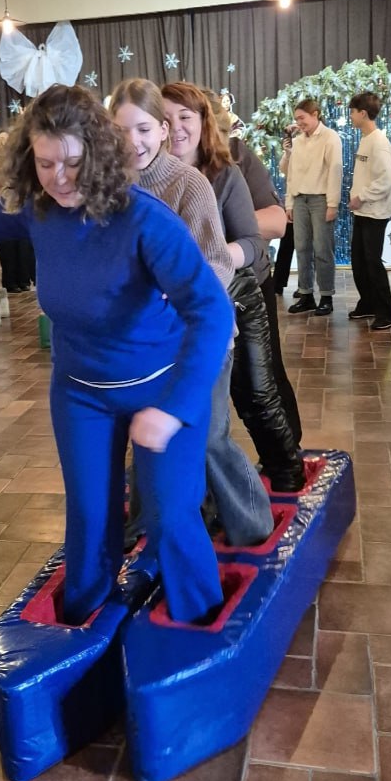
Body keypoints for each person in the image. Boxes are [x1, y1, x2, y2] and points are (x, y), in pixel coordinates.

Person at [0, 84, 233, 626]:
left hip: (160, 389)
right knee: (90, 516)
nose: (60, 178)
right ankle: (83, 623)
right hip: (81, 393)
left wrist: (173, 410)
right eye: (46, 163)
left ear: (99, 153)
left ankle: (200, 624)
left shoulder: (147, 221)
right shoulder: (40, 210)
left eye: (73, 163)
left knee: (170, 517)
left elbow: (212, 313)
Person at [110, 77, 273, 546]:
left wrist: (172, 299)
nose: (133, 142)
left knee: (206, 434)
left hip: (202, 336)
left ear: (161, 131)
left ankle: (252, 520)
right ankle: (149, 524)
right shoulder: (110, 185)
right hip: (146, 341)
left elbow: (217, 264)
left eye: (144, 129)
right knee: (149, 432)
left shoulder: (190, 184)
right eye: (121, 131)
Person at [161, 81, 304, 490]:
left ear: (204, 121)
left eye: (185, 117)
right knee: (189, 401)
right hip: (177, 304)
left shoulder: (228, 168)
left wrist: (211, 256)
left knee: (256, 390)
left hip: (239, 292)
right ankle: (192, 489)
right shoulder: (146, 175)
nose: (176, 128)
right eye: (166, 119)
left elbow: (259, 237)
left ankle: (286, 470)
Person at [207, 89, 301, 443]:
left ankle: (289, 455)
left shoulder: (238, 157)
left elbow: (276, 222)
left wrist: (212, 226)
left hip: (246, 283)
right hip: (194, 290)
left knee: (262, 382)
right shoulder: (161, 164)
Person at [280, 99, 343, 316]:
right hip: (299, 199)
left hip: (320, 199)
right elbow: (288, 173)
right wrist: (289, 203)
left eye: (302, 118)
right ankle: (306, 294)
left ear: (315, 114)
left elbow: (335, 171)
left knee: (323, 249)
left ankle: (326, 296)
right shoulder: (297, 141)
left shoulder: (330, 137)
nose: (299, 123)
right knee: (302, 248)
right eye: (296, 119)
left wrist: (333, 203)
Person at [347, 92, 391, 331]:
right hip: (362, 211)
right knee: (359, 261)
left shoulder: (378, 142)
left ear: (363, 113)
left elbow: (388, 177)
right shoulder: (366, 139)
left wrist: (362, 196)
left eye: (352, 112)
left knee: (372, 263)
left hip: (375, 212)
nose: (350, 116)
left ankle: (386, 313)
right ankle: (368, 303)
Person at [0, 104, 36, 293]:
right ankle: (10, 282)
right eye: (0, 139)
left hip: (18, 205)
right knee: (6, 247)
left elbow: (28, 145)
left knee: (22, 245)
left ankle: (24, 281)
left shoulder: (18, 160)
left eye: (7, 139)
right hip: (0, 207)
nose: (4, 142)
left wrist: (25, 121)